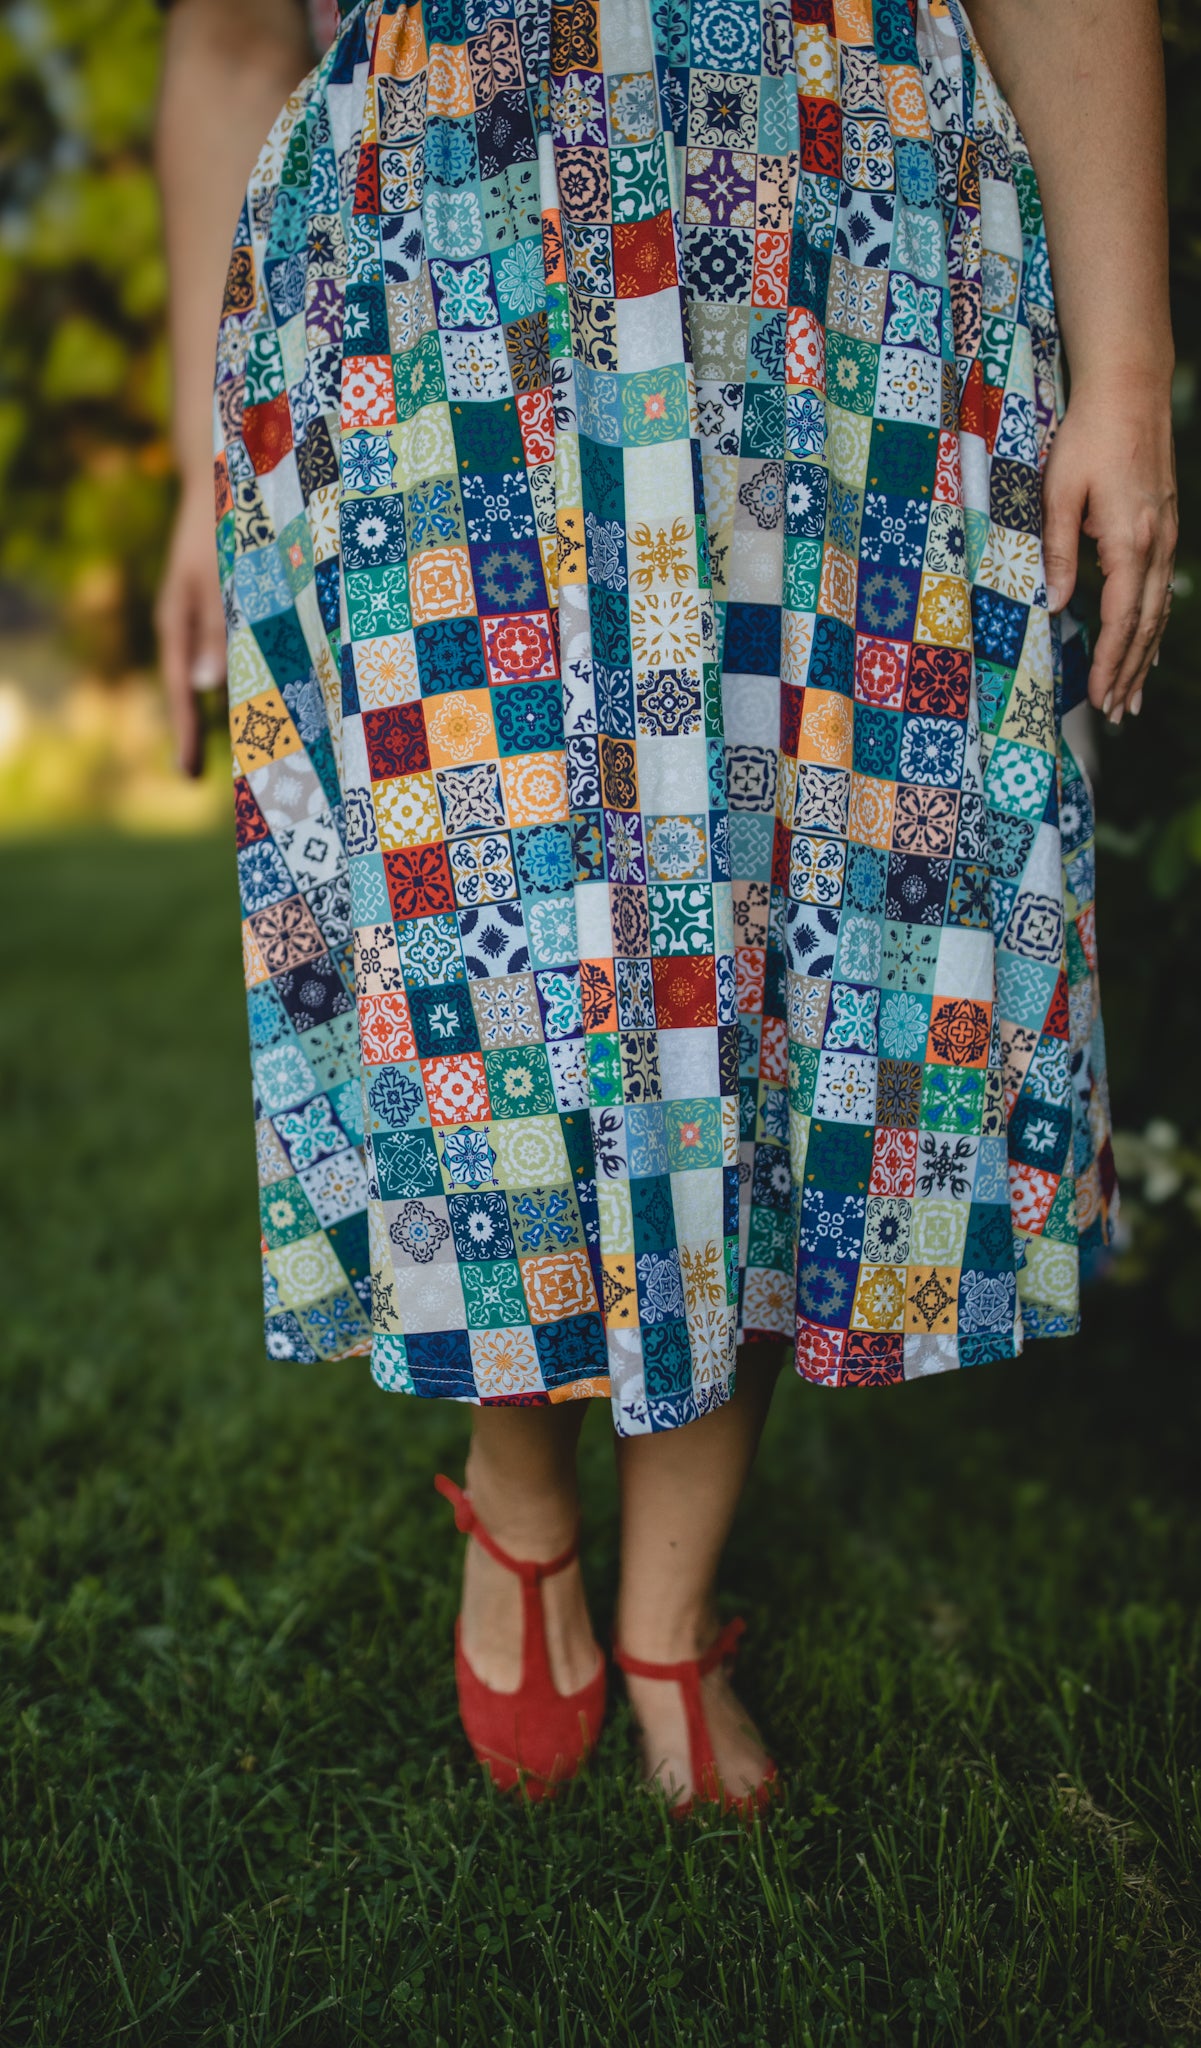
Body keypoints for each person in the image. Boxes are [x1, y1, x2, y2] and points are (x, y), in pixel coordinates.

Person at [155, 0, 1175, 1813]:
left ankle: (665, 1609)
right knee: (483, 916)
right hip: (438, 243)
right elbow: (229, 36)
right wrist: (194, 470)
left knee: (794, 921)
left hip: (825, 215)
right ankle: (523, 1497)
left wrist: (1125, 371)